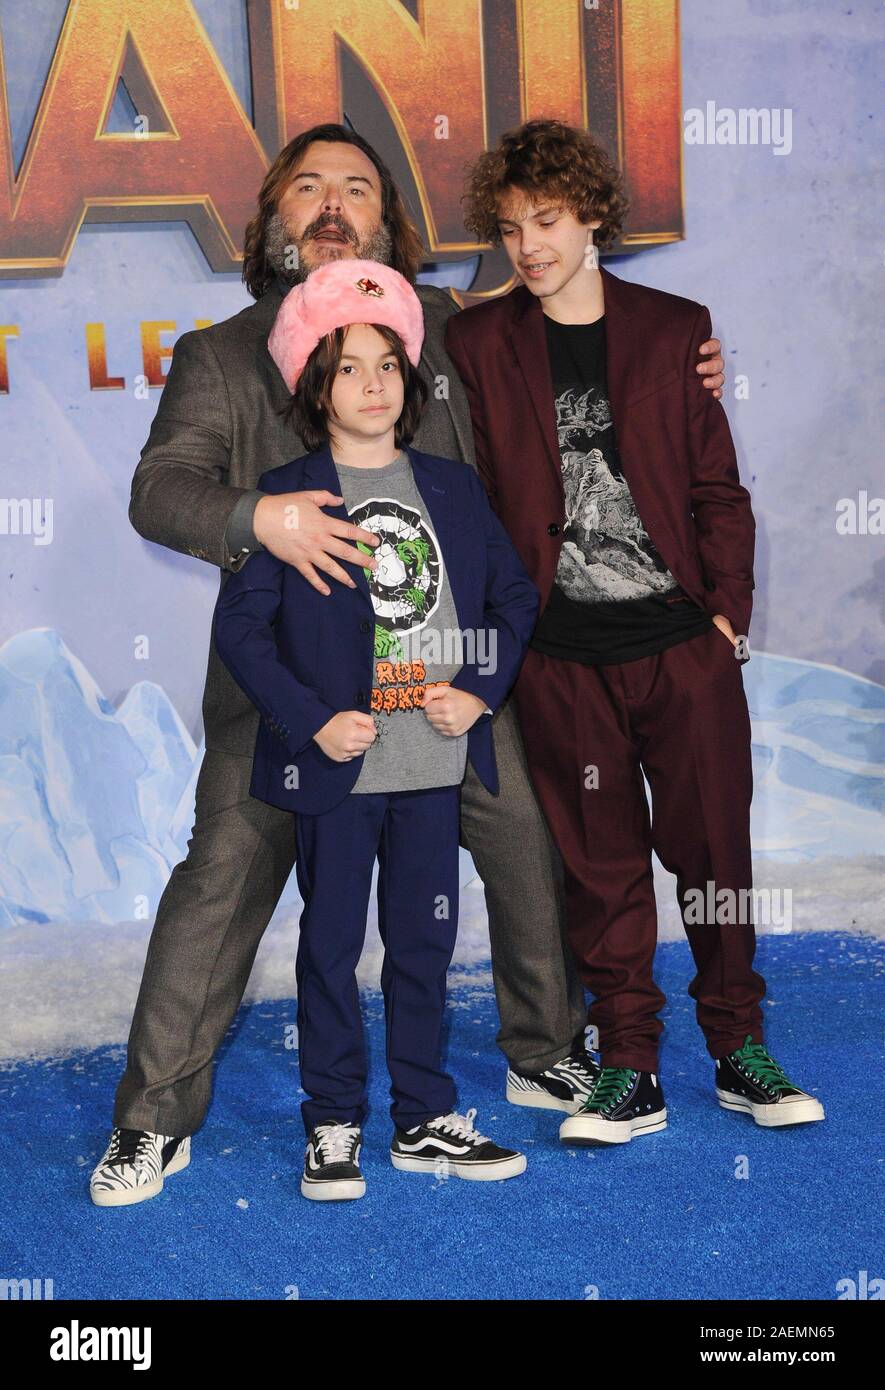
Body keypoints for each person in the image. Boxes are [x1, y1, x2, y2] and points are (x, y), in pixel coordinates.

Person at [90, 124, 726, 1207]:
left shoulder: (457, 332)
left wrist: (676, 358)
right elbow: (161, 490)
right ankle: (154, 1119)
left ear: (392, 226)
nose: (333, 205)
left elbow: (579, 351)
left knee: (526, 827)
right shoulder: (219, 354)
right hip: (289, 701)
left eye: (358, 189)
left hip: (444, 691)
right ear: (272, 219)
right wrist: (262, 514)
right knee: (220, 876)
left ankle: (540, 1048)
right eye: (308, 189)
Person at [444, 118, 825, 1147]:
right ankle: (631, 1067)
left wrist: (726, 619)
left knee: (713, 855)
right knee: (600, 872)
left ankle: (740, 1050)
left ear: (595, 214)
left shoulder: (673, 329)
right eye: (513, 226)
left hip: (679, 649)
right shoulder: (479, 339)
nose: (530, 246)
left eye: (550, 220)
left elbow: (716, 487)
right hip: (561, 659)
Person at [212, 258, 539, 1198]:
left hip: (430, 761)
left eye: (387, 365)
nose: (371, 384)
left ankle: (425, 1115)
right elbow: (241, 630)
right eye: (348, 367)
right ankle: (331, 1122)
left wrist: (477, 690)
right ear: (316, 389)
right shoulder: (288, 495)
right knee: (329, 945)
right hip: (340, 769)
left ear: (412, 380)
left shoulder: (452, 485)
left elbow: (513, 598)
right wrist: (312, 723)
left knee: (424, 944)